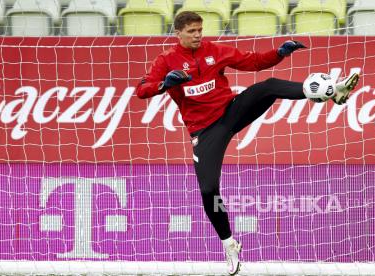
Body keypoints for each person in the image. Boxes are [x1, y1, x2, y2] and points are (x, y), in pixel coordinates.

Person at [136, 11, 359, 276]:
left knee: (268, 86)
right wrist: (164, 83)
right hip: (205, 132)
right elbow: (142, 90)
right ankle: (229, 244)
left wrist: (279, 53)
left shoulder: (214, 50)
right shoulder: (166, 60)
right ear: (178, 33)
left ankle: (330, 91)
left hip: (230, 113)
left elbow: (252, 62)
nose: (198, 35)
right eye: (192, 31)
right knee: (208, 191)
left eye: (200, 30)